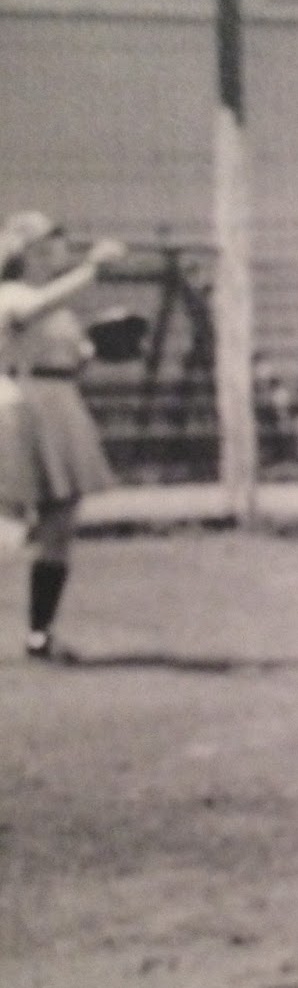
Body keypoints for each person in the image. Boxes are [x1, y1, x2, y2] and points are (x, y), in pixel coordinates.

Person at [0, 210, 124, 658]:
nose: (61, 246)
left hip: (59, 400)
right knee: (9, 515)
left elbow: (75, 356)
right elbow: (26, 314)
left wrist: (98, 347)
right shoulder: (12, 292)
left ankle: (40, 632)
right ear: (29, 248)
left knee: (61, 517)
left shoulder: (57, 303)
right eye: (54, 239)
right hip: (17, 399)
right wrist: (91, 271)